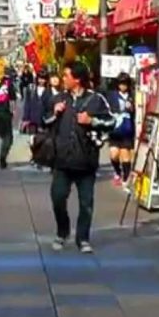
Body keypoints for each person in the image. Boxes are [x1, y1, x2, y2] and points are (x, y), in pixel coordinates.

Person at [44, 62, 114, 254]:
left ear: (77, 79)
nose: (63, 79)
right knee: (57, 198)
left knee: (86, 203)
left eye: (66, 75)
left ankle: (83, 238)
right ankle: (62, 230)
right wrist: (54, 113)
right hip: (62, 160)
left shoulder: (95, 99)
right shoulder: (59, 99)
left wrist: (92, 121)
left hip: (86, 161)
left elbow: (112, 121)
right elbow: (45, 121)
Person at [106, 74, 136, 186]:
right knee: (114, 154)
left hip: (127, 129)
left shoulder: (132, 96)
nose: (123, 86)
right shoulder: (112, 96)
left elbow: (136, 111)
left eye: (125, 84)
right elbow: (107, 109)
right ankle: (118, 172)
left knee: (125, 155)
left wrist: (131, 108)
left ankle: (126, 177)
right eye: (121, 84)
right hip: (115, 129)